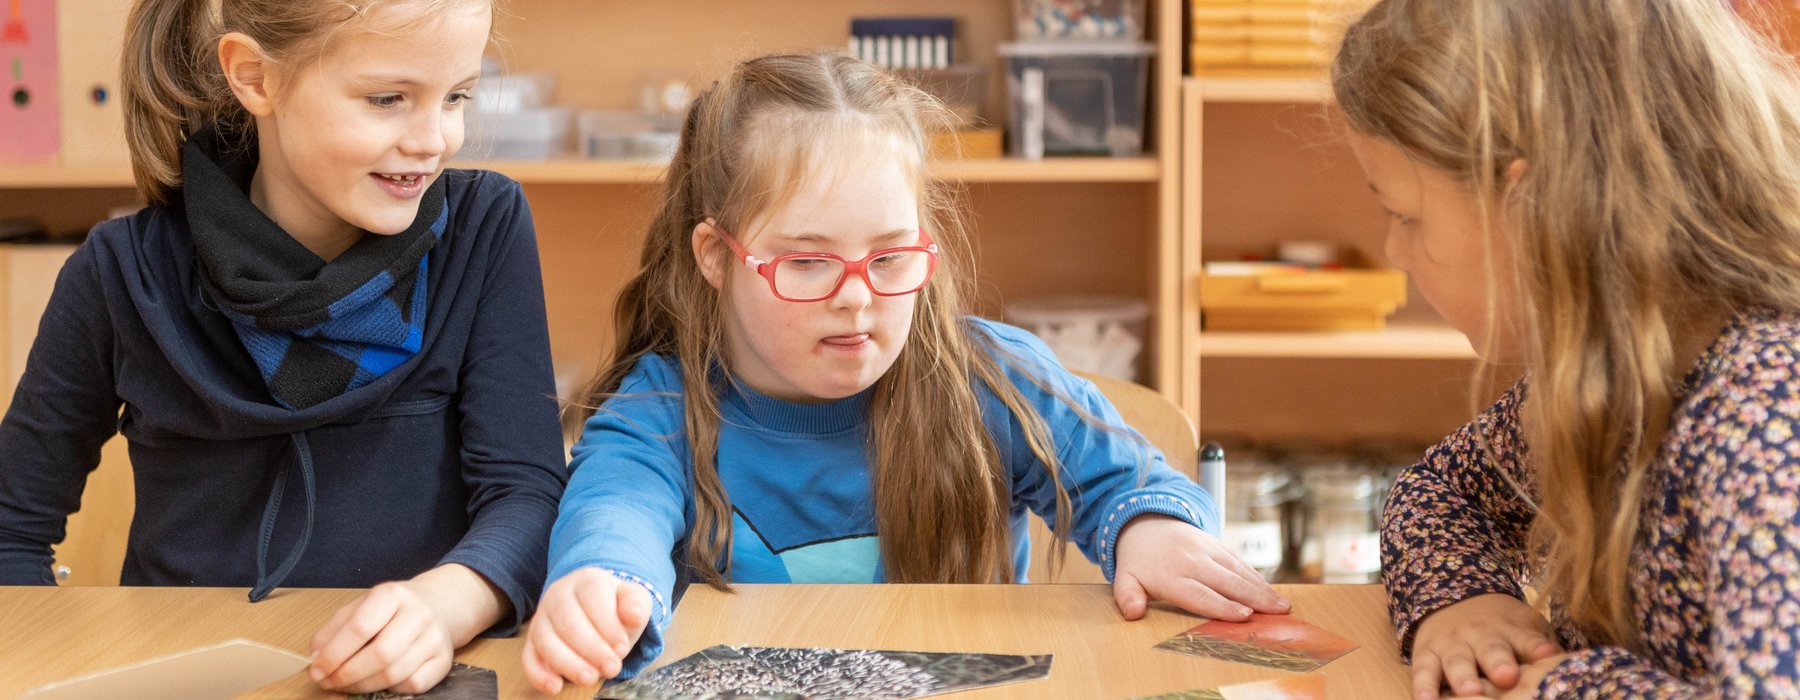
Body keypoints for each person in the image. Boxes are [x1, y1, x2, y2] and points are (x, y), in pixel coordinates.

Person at [519, 51, 1287, 694]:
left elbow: (1129, 480)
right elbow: (613, 513)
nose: (857, 300)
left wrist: (1150, 528)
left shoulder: (989, 377)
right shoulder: (659, 405)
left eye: (889, 257)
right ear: (717, 256)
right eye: (809, 263)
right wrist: (601, 585)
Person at [0, 0, 567, 693]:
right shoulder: (121, 273)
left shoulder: (485, 228)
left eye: (457, 97)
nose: (433, 140)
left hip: (418, 682)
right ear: (255, 78)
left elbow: (529, 497)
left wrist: (444, 608)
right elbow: (10, 528)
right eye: (388, 99)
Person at [1335, 0, 1800, 697]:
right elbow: (1438, 491)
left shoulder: (1764, 413)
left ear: (1536, 207)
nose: (1394, 252)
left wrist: (1574, 688)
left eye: (1406, 215)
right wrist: (1463, 600)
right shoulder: (1612, 370)